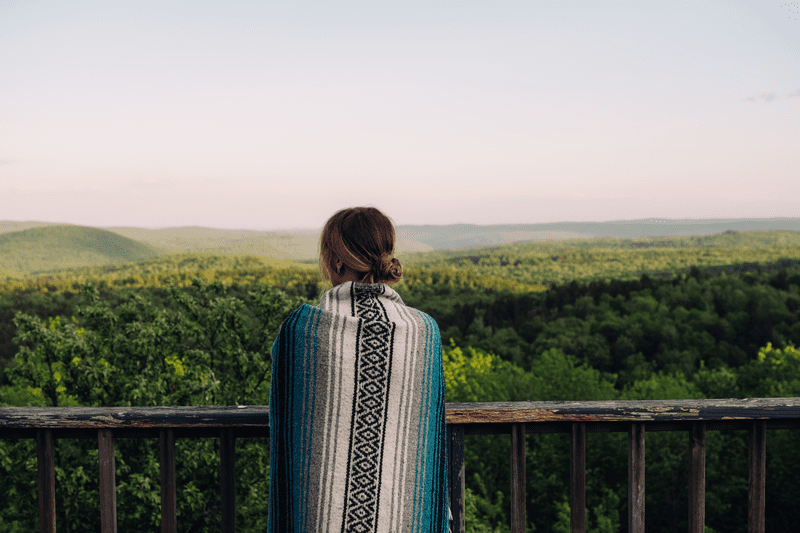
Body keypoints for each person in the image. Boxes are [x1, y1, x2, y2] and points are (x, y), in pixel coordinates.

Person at [268, 207, 449, 532]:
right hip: (402, 519)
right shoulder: (424, 331)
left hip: (323, 519)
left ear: (337, 262)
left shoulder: (301, 329)